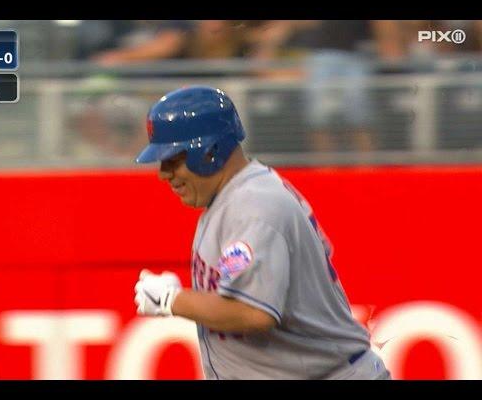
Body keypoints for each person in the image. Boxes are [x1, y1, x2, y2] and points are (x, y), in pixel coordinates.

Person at [133, 85, 391, 380]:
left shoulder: (253, 205)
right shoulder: (235, 196)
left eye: (174, 158)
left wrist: (172, 300)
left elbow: (252, 313)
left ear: (209, 152)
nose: (164, 173)